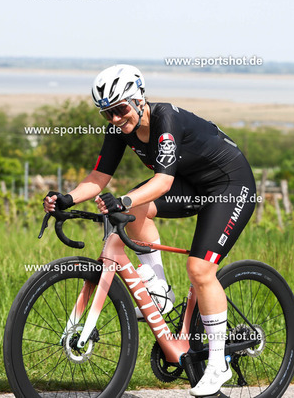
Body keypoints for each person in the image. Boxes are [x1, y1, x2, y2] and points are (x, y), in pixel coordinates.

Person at [43, 64, 256, 396]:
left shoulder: (165, 119)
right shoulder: (119, 129)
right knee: (136, 208)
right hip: (192, 184)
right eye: (107, 113)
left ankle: (218, 365)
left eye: (120, 109)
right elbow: (98, 178)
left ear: (139, 99)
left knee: (200, 269)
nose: (115, 119)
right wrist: (66, 198)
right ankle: (160, 290)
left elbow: (163, 182)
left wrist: (122, 200)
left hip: (229, 185)